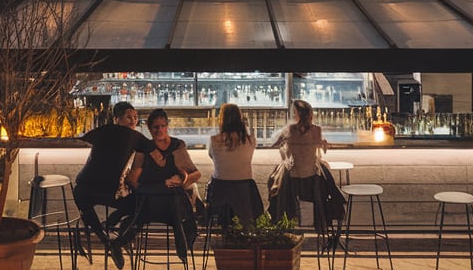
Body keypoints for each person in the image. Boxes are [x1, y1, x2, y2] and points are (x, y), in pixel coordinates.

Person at [74, 101, 167, 269]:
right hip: (110, 192)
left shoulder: (102, 130)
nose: (133, 121)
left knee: (83, 201)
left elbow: (84, 137)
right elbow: (159, 155)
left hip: (84, 188)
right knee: (142, 207)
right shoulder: (135, 137)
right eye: (129, 117)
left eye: (135, 117)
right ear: (117, 119)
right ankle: (118, 236)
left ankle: (105, 238)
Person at [116, 108, 201, 260]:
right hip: (152, 203)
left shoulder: (177, 146)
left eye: (162, 126)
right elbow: (134, 176)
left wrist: (181, 179)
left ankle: (118, 242)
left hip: (168, 202)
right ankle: (182, 245)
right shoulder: (144, 148)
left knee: (172, 200)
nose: (159, 130)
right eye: (155, 127)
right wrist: (139, 187)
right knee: (171, 205)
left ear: (167, 126)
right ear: (149, 128)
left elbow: (195, 174)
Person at [271, 99, 329, 233]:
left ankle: (280, 220)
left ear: (297, 114)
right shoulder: (317, 130)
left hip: (293, 178)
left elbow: (280, 146)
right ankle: (323, 220)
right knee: (327, 177)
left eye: (294, 112)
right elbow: (319, 151)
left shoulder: (290, 129)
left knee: (273, 180)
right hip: (312, 178)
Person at [206, 103, 263, 232]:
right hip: (244, 192)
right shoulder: (250, 140)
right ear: (240, 118)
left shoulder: (214, 140)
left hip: (219, 191)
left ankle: (223, 224)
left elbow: (211, 156)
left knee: (215, 179)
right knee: (249, 184)